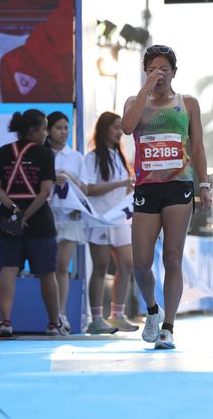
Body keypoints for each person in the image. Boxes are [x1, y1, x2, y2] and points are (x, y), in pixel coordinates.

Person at [121, 44, 212, 350]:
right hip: (147, 188)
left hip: (178, 185)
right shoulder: (135, 101)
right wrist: (145, 89)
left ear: (174, 72)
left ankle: (169, 327)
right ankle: (152, 310)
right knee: (140, 263)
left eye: (162, 69)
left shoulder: (188, 104)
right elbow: (127, 127)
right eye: (151, 69)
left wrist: (204, 185)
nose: (157, 74)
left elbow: (197, 147)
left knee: (172, 256)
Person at [0, 109, 66, 337]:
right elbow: (45, 192)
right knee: (46, 272)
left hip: (9, 218)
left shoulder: (3, 152)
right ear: (32, 130)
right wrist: (27, 215)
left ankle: (4, 322)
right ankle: (53, 324)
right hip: (39, 220)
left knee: (8, 269)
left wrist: (14, 209)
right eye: (44, 128)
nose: (46, 133)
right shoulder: (45, 154)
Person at [81, 111, 136, 334]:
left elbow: (124, 188)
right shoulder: (92, 157)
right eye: (115, 127)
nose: (119, 132)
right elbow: (88, 189)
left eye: (121, 128)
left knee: (127, 263)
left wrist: (129, 188)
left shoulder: (120, 156)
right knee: (101, 265)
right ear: (104, 129)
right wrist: (120, 184)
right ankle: (96, 318)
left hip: (120, 218)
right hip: (99, 218)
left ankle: (117, 314)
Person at [46, 110, 86, 332]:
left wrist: (70, 179)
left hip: (70, 216)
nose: (63, 132)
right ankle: (52, 316)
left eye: (65, 128)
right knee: (48, 267)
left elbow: (85, 188)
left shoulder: (76, 157)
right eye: (58, 128)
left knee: (63, 266)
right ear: (48, 130)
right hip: (47, 215)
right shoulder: (43, 153)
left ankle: (61, 314)